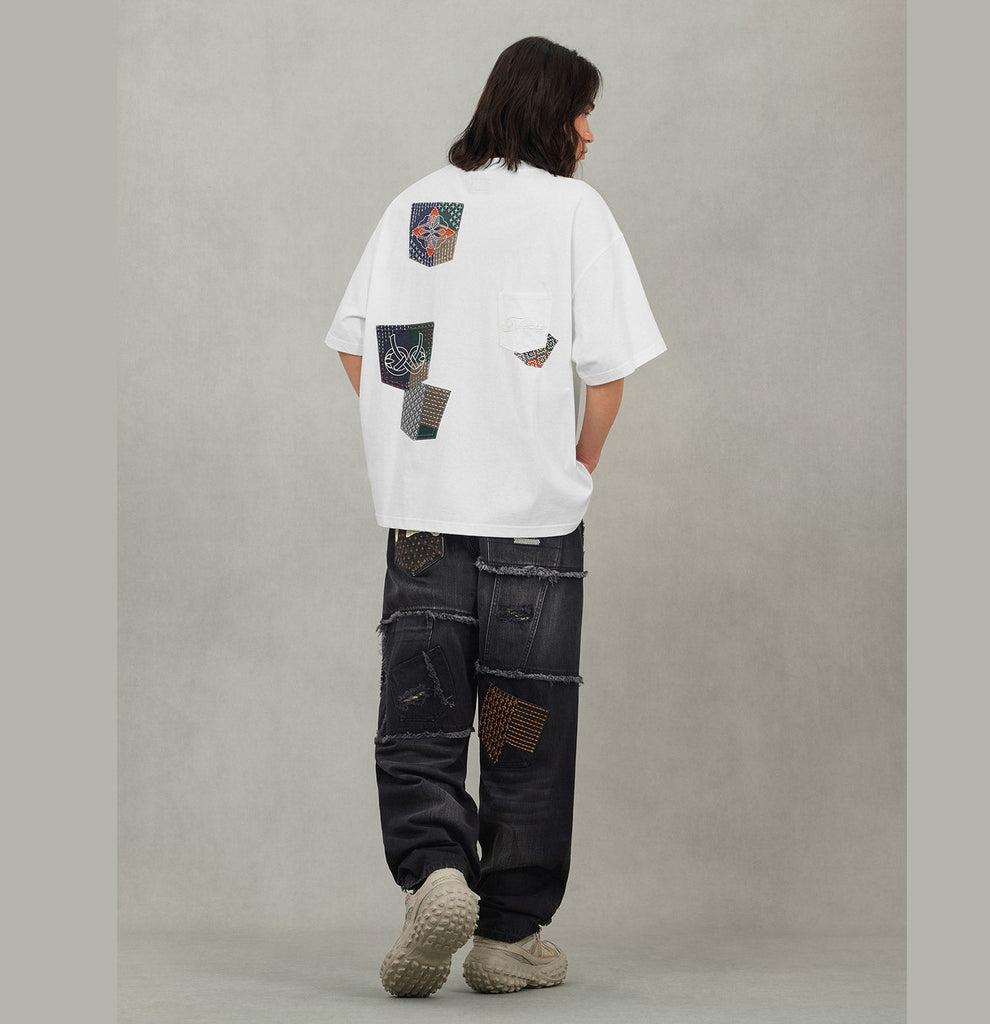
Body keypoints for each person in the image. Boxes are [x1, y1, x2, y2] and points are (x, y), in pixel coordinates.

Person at [323, 36, 666, 997]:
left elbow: (360, 349)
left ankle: (435, 872)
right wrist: (572, 465)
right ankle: (508, 937)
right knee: (524, 721)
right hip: (532, 523)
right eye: (583, 112)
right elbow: (608, 374)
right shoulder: (572, 212)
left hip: (424, 517)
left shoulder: (419, 208)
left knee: (423, 707)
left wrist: (427, 433)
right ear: (548, 110)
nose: (590, 133)